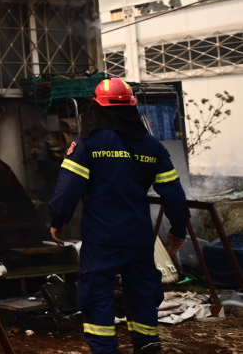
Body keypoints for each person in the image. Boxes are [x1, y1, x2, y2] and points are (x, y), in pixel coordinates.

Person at [49, 77, 191, 354]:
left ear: (97, 108)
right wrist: (179, 229)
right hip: (138, 238)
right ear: (132, 107)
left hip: (101, 238)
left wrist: (58, 221)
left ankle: (105, 349)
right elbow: (173, 193)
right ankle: (148, 345)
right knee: (142, 292)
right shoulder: (152, 147)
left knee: (97, 293)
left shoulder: (87, 144)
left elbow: (67, 190)